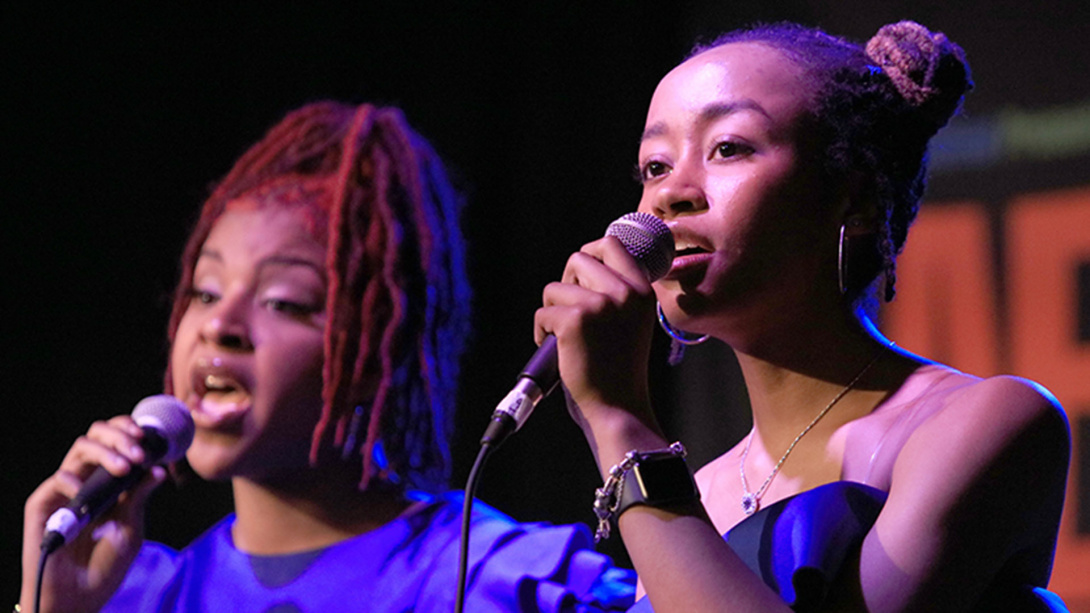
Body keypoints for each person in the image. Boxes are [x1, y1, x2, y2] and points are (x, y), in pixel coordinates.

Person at [535, 21, 1071, 612]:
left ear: (856, 199)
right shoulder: (700, 492)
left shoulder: (983, 423)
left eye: (728, 148)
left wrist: (619, 421)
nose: (669, 195)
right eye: (655, 167)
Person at [21, 102, 634, 612]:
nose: (219, 326)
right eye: (205, 292)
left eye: (284, 302)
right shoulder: (136, 594)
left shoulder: (500, 580)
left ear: (375, 352)